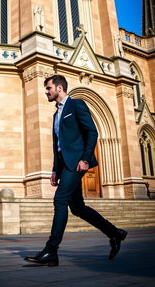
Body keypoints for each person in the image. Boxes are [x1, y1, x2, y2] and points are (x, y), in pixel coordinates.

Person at [24, 74, 127, 267]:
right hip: (65, 166)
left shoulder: (76, 105)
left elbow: (92, 131)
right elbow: (58, 145)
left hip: (77, 163)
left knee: (60, 200)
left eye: (48, 88)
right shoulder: (56, 114)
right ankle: (115, 233)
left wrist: (85, 159)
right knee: (78, 208)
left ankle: (51, 251)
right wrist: (55, 170)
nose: (46, 92)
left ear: (59, 88)